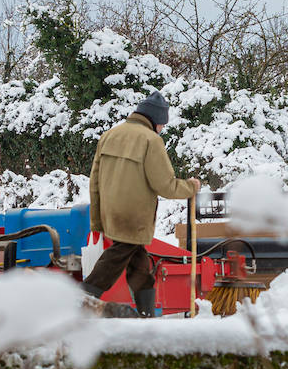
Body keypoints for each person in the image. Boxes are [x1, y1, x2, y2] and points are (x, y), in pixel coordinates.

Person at [81, 90, 201, 317]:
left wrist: (97, 220)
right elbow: (165, 185)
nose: (162, 129)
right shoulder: (151, 140)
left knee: (139, 264)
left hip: (111, 212)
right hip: (134, 216)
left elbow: (94, 182)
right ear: (156, 121)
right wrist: (191, 187)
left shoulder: (109, 135)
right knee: (117, 257)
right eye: (163, 125)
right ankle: (83, 299)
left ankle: (146, 314)